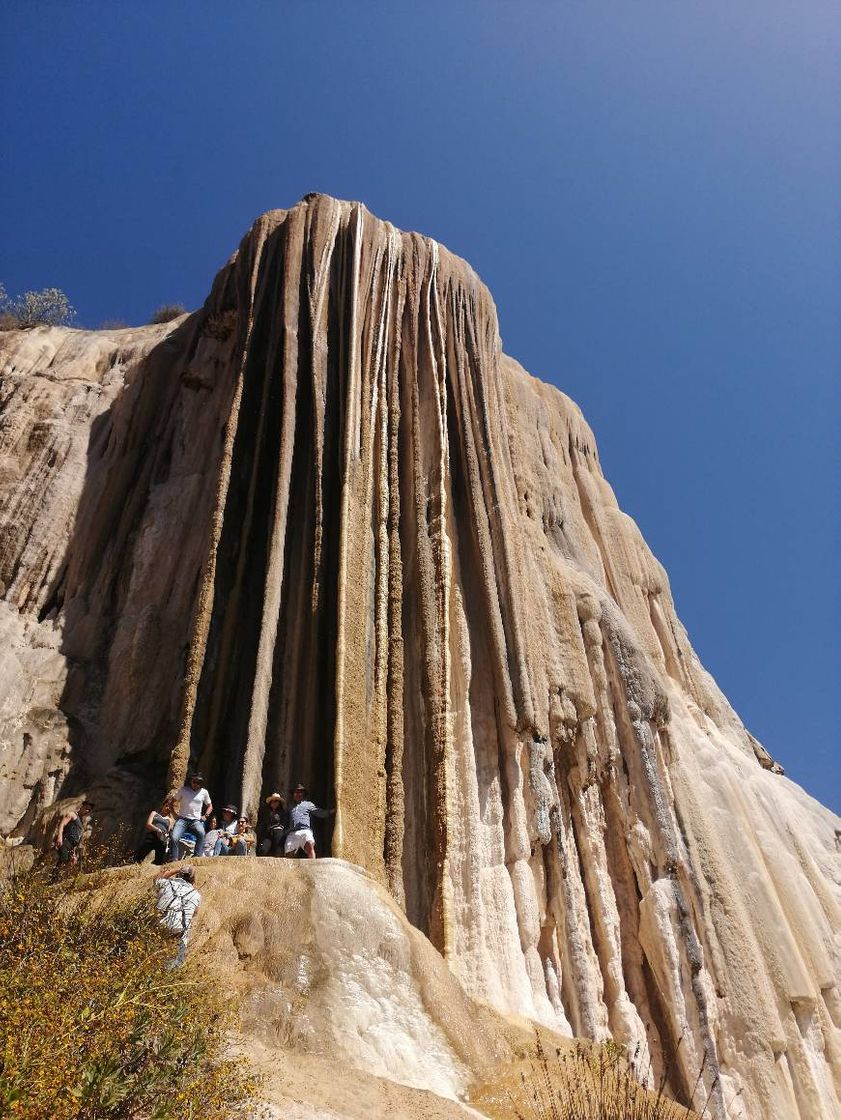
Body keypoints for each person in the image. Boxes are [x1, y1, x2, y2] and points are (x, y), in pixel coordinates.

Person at [154, 865, 201, 968]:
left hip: (160, 926)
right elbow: (195, 913)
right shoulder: (196, 895)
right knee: (175, 964)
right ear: (193, 879)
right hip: (179, 931)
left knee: (153, 958)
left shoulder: (166, 884)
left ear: (178, 875)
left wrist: (175, 870)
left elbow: (157, 878)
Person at [170, 774, 213, 860]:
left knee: (201, 833)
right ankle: (174, 858)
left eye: (199, 783)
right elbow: (172, 802)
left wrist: (205, 816)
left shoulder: (204, 792)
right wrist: (174, 814)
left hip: (195, 820)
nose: (196, 784)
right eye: (194, 782)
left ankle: (196, 856)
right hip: (182, 819)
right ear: (191, 781)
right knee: (174, 837)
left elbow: (210, 806)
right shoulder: (183, 790)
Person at [284, 784, 333, 859]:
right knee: (288, 854)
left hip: (305, 830)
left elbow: (319, 812)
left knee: (309, 846)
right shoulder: (290, 806)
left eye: (300, 792)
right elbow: (283, 817)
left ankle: (313, 865)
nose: (297, 794)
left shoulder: (308, 804)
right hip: (292, 832)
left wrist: (330, 812)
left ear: (303, 794)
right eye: (296, 792)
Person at [134, 795, 176, 865]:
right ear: (163, 805)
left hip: (161, 839)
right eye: (166, 806)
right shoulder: (154, 813)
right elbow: (148, 824)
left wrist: (165, 836)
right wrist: (157, 829)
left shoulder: (170, 820)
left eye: (169, 807)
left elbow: (169, 831)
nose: (167, 808)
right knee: (140, 855)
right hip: (152, 836)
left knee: (159, 861)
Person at [53, 799, 94, 870]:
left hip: (71, 845)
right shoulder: (72, 814)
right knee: (63, 860)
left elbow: (76, 839)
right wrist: (59, 837)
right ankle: (53, 879)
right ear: (81, 807)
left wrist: (73, 853)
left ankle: (57, 879)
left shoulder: (81, 822)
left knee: (67, 864)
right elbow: (62, 824)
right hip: (65, 841)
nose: (87, 811)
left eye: (89, 810)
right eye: (86, 808)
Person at [259, 792, 287, 856]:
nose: (274, 803)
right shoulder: (267, 812)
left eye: (276, 801)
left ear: (279, 803)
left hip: (278, 832)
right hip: (269, 832)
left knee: (278, 851)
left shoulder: (283, 812)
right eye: (272, 801)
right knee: (263, 849)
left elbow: (285, 823)